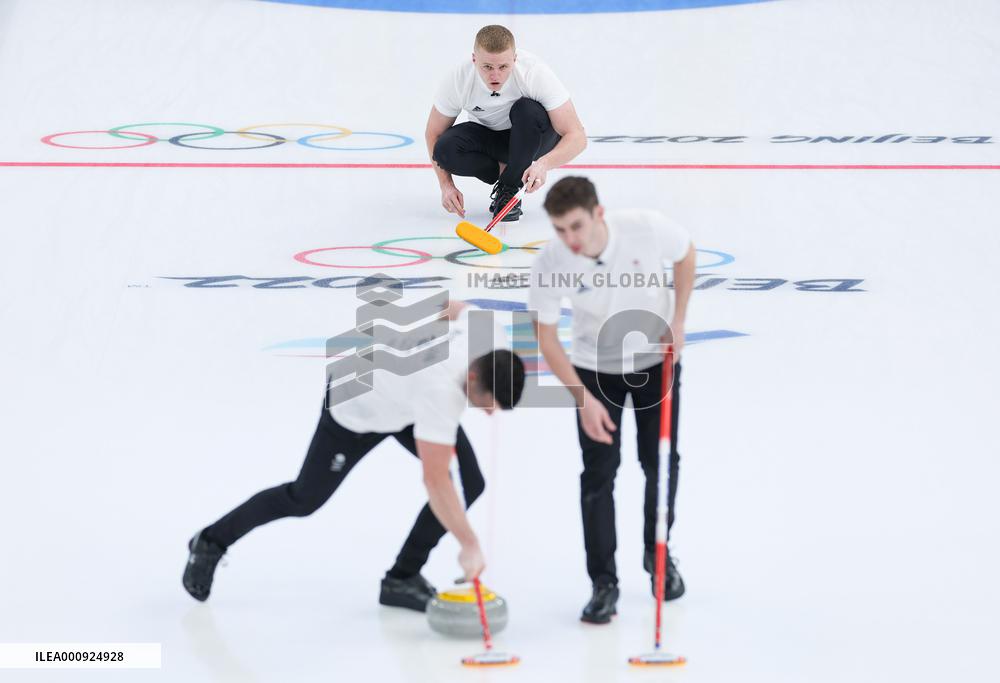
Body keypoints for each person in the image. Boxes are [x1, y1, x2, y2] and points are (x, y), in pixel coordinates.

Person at [183, 300, 526, 612]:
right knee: (304, 498)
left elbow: (450, 306)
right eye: (486, 403)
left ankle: (402, 578)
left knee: (469, 483)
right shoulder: (441, 392)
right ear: (472, 375)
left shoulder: (488, 331)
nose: (489, 414)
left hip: (405, 400)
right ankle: (210, 541)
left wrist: (415, 353)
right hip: (355, 405)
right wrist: (469, 544)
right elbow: (435, 481)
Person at [528, 177, 696, 624]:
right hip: (594, 371)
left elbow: (685, 253)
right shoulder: (551, 261)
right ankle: (603, 583)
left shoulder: (645, 227)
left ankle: (658, 554)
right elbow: (546, 337)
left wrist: (679, 320)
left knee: (660, 462)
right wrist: (582, 399)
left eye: (576, 226)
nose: (569, 239)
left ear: (598, 213)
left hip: (655, 362)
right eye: (560, 229)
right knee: (599, 475)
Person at [426, 24, 587, 223]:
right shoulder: (459, 78)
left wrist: (543, 164)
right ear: (474, 60)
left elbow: (577, 136)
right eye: (487, 67)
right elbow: (433, 133)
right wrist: (446, 186)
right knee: (444, 150)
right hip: (493, 141)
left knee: (525, 109)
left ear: (514, 59)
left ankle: (510, 186)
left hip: (535, 137)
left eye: (503, 67)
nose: (495, 76)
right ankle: (511, 173)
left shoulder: (533, 72)